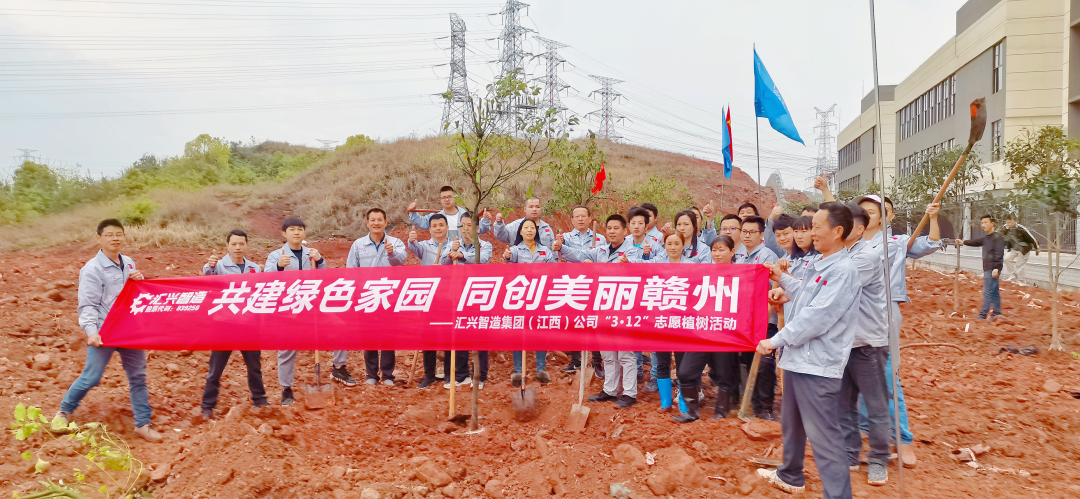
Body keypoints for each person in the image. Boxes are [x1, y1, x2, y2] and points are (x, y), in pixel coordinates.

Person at [756, 203, 860, 499]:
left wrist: (775, 340)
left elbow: (817, 317)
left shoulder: (843, 271)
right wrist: (781, 278)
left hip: (817, 365)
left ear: (837, 232)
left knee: (824, 438)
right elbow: (805, 294)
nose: (811, 233)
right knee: (792, 424)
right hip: (799, 361)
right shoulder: (821, 263)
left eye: (816, 227)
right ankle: (790, 475)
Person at [851, 192, 940, 468]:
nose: (866, 216)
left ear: (884, 217)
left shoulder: (896, 243)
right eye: (862, 211)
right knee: (857, 372)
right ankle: (866, 432)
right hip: (853, 310)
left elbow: (931, 243)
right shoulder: (850, 244)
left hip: (883, 311)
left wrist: (933, 218)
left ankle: (902, 438)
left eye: (872, 211)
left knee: (888, 374)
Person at [57, 219, 161, 442]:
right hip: (105, 331)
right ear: (99, 238)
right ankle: (64, 412)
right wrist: (91, 332)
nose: (115, 238)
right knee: (91, 377)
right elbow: (88, 304)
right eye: (110, 235)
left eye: (118, 234)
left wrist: (140, 280)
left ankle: (142, 424)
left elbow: (134, 294)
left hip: (130, 330)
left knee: (138, 377)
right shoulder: (92, 269)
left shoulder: (129, 262)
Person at [554, 214, 645, 409]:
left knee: (625, 353)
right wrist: (561, 248)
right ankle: (610, 390)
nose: (612, 231)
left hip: (622, 307)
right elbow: (579, 255)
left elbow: (631, 270)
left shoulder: (631, 251)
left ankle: (629, 393)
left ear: (625, 231)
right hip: (602, 305)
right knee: (607, 352)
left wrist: (597, 268)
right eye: (609, 228)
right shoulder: (601, 250)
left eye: (616, 228)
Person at [838, 204, 892, 486]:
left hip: (867, 343)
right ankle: (850, 453)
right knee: (844, 404)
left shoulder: (866, 257)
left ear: (859, 229)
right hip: (844, 344)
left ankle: (879, 459)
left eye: (844, 223)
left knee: (876, 405)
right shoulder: (840, 254)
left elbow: (835, 289)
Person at [266, 217, 340, 405]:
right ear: (284, 233)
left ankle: (339, 367)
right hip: (288, 308)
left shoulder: (312, 254)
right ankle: (286, 389)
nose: (296, 232)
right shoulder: (276, 255)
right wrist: (278, 266)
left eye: (300, 229)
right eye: (292, 229)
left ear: (304, 232)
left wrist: (320, 260)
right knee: (287, 349)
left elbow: (324, 276)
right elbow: (266, 280)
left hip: (311, 306)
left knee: (340, 327)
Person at [200, 229, 268, 419]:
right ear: (228, 246)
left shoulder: (254, 268)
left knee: (254, 367)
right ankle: (207, 406)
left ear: (246, 245)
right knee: (215, 368)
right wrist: (210, 265)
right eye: (234, 244)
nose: (238, 247)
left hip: (249, 325)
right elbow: (209, 275)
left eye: (241, 244)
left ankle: (260, 400)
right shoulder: (219, 266)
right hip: (225, 325)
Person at [674, 234, 738, 423]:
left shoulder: (742, 274)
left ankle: (721, 412)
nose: (717, 254)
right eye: (714, 250)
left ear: (732, 252)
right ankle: (692, 412)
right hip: (703, 332)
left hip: (726, 334)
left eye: (721, 250)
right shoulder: (705, 273)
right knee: (685, 372)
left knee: (725, 374)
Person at [347, 208, 407, 385]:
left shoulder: (395, 242)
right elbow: (351, 270)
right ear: (367, 223)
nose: (376, 223)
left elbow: (401, 260)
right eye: (372, 220)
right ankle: (371, 375)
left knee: (389, 336)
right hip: (367, 297)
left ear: (385, 222)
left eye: (379, 220)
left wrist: (391, 253)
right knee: (369, 336)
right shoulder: (358, 244)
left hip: (389, 296)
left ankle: (388, 375)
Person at [408, 215, 469, 390]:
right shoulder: (424, 246)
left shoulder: (454, 245)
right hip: (429, 296)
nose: (438, 228)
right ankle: (429, 374)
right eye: (434, 226)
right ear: (430, 229)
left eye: (441, 225)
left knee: (449, 335)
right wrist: (411, 240)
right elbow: (413, 246)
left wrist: (450, 258)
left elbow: (458, 264)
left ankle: (450, 373)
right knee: (428, 336)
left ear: (447, 227)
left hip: (448, 295)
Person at [729, 215, 780, 420]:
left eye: (752, 232)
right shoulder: (740, 256)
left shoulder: (767, 256)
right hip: (745, 319)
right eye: (744, 231)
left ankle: (765, 408)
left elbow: (774, 286)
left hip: (765, 319)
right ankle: (751, 402)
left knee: (765, 363)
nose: (747, 235)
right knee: (748, 360)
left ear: (761, 235)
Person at [645, 232, 699, 413]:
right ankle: (665, 403)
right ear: (664, 246)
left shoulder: (692, 266)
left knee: (683, 364)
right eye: (669, 243)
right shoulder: (657, 265)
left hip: (683, 321)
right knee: (662, 362)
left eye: (677, 243)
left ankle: (684, 403)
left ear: (683, 246)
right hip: (661, 321)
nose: (673, 247)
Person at [503, 218, 557, 386]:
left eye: (532, 227)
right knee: (518, 332)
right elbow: (508, 260)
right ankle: (518, 371)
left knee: (539, 330)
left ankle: (541, 369)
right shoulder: (515, 250)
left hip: (540, 297)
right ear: (520, 231)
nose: (529, 230)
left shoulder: (545, 251)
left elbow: (554, 269)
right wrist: (507, 256)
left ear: (536, 231)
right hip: (519, 297)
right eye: (526, 227)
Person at [442, 213, 493, 387]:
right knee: (458, 335)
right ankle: (461, 375)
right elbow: (443, 263)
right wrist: (451, 252)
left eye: (468, 225)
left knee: (479, 336)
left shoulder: (485, 245)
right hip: (457, 295)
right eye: (461, 225)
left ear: (477, 228)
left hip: (478, 296)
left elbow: (481, 260)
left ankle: (479, 376)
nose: (464, 229)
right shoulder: (452, 244)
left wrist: (461, 254)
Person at [558, 206, 605, 377]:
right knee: (574, 323)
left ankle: (597, 361)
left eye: (583, 216)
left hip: (593, 284)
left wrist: (593, 257)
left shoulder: (600, 239)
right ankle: (575, 360)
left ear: (590, 218)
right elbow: (565, 255)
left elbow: (603, 259)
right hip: (573, 283)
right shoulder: (565, 238)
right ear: (572, 220)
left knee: (594, 322)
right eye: (576, 216)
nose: (580, 219)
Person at [958, 215, 1005, 319]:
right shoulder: (986, 238)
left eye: (985, 222)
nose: (983, 225)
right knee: (994, 291)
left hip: (992, 268)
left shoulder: (998, 238)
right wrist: (963, 242)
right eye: (982, 223)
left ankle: (983, 314)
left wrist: (997, 268)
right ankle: (997, 313)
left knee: (987, 291)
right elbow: (976, 242)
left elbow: (999, 253)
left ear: (992, 223)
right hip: (988, 268)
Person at [482, 198, 555, 247]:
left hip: (541, 265)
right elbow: (501, 236)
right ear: (525, 209)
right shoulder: (515, 225)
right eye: (531, 207)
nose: (534, 209)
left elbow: (553, 251)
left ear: (541, 209)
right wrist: (499, 223)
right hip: (519, 264)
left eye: (537, 207)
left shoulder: (546, 229)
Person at [1001, 215, 1038, 285]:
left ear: (1015, 221)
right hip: (1013, 248)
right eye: (1008, 222)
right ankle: (1013, 276)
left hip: (1024, 249)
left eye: (1011, 222)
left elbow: (1032, 239)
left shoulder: (1021, 228)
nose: (1009, 224)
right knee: (1007, 259)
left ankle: (1021, 281)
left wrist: (1037, 248)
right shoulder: (1005, 228)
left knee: (1019, 265)